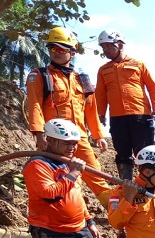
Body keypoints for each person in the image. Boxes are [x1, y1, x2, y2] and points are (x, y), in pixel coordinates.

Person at [22, 118, 129, 238]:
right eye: (67, 144)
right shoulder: (38, 165)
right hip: (49, 232)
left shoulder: (67, 164)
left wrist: (89, 221)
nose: (72, 148)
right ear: (50, 141)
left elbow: (75, 196)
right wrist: (72, 174)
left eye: (75, 143)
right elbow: (50, 195)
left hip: (79, 228)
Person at [26, 27, 113, 209]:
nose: (56, 53)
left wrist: (98, 135)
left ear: (72, 52)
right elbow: (34, 104)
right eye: (53, 49)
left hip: (80, 138)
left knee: (97, 176)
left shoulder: (82, 79)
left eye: (62, 49)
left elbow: (91, 109)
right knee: (62, 176)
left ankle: (117, 214)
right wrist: (39, 134)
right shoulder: (40, 75)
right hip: (55, 140)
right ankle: (72, 214)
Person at [95, 30, 155, 181]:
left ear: (119, 45)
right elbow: (100, 95)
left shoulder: (138, 65)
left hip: (140, 116)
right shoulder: (103, 70)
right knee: (123, 154)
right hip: (117, 119)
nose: (105, 51)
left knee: (145, 152)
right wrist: (100, 115)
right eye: (103, 48)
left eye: (108, 46)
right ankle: (126, 185)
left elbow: (153, 87)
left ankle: (148, 185)